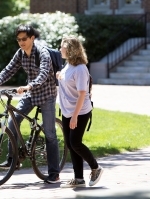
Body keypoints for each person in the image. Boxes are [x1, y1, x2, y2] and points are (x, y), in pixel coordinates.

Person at [0, 24, 60, 184]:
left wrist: (29, 86)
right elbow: (8, 70)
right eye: (18, 39)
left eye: (24, 39)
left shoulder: (42, 52)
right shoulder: (20, 53)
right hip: (31, 93)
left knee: (50, 134)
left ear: (32, 38)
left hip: (46, 94)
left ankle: (54, 172)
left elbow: (44, 73)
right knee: (13, 121)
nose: (21, 42)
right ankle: (14, 160)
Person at [57, 35, 103, 188]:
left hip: (80, 111)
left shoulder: (81, 69)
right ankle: (79, 179)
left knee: (75, 142)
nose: (60, 49)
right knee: (70, 145)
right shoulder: (68, 65)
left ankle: (96, 168)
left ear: (70, 49)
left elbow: (82, 93)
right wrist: (59, 76)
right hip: (67, 111)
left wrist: (75, 116)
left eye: (62, 46)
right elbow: (66, 79)